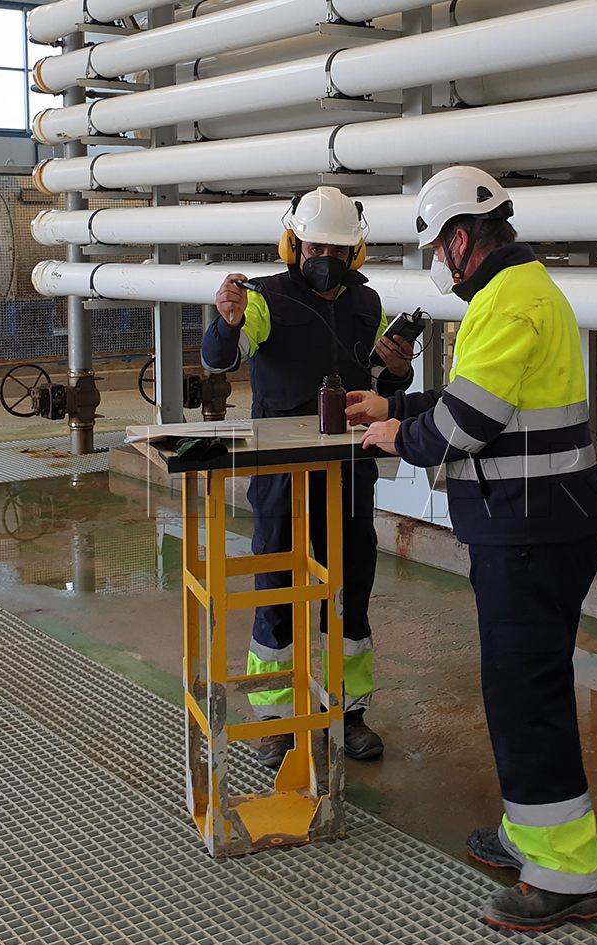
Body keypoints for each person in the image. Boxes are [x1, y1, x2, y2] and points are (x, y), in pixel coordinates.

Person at [346, 165, 597, 931]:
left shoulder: (506, 302)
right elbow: (484, 400)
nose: (435, 263)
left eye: (434, 247)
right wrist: (395, 402)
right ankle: (528, 832)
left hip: (531, 532)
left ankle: (567, 873)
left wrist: (399, 431)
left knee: (527, 697)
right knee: (520, 687)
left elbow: (464, 427)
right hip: (538, 524)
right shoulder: (522, 293)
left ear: (461, 240)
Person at [202, 186, 414, 768]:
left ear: (357, 252)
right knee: (277, 590)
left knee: (350, 589)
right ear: (293, 243)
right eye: (315, 244)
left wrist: (396, 371)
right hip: (280, 472)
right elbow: (222, 358)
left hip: (348, 468)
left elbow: (377, 382)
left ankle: (350, 711)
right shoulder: (264, 298)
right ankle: (277, 720)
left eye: (338, 248)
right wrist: (226, 323)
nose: (326, 256)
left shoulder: (367, 305)